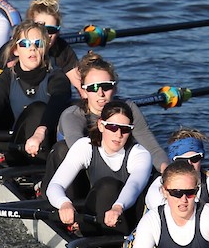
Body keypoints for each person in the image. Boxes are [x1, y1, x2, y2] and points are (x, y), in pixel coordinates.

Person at [0, 22, 74, 167]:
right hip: (17, 147)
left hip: (47, 145)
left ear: (45, 48)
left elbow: (58, 101)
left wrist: (40, 132)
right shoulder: (8, 76)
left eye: (38, 43)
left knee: (39, 108)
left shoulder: (57, 76)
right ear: (15, 50)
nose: (32, 48)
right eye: (25, 43)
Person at [45, 98, 153, 234]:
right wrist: (64, 203)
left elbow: (134, 185)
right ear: (101, 125)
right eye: (112, 127)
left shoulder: (140, 154)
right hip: (95, 219)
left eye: (125, 129)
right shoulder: (85, 146)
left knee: (108, 186)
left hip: (125, 220)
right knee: (61, 150)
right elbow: (55, 185)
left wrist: (118, 207)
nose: (118, 134)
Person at [23, 0, 82, 94]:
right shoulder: (18, 47)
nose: (46, 34)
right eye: (41, 28)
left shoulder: (62, 49)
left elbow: (81, 87)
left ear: (58, 31)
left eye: (51, 30)